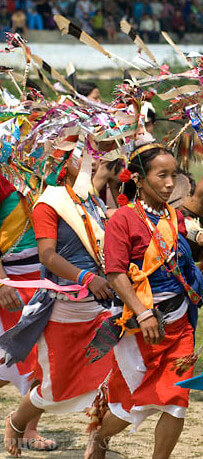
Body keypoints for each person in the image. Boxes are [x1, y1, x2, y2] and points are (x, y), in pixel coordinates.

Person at [84, 143, 203, 459]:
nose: (168, 183)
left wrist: (202, 241)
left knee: (176, 402)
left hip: (178, 324)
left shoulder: (173, 217)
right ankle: (98, 438)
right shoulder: (122, 219)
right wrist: (143, 312)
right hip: (137, 327)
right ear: (138, 178)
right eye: (161, 175)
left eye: (173, 175)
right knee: (128, 407)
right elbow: (115, 274)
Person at [1, 143, 113, 457]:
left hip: (99, 305)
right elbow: (49, 255)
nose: (92, 159)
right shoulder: (48, 202)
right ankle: (18, 422)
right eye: (83, 154)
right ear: (63, 162)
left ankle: (97, 441)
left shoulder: (89, 200)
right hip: (57, 300)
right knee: (48, 382)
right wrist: (86, 278)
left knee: (108, 375)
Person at [0, 175, 56, 453]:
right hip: (11, 281)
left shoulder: (40, 171)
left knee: (42, 358)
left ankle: (28, 428)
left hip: (45, 277)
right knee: (11, 358)